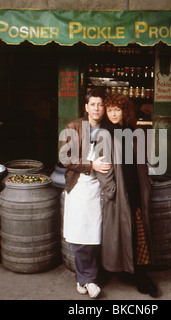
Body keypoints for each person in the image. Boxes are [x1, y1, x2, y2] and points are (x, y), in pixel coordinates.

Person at [59, 87, 115, 299]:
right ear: (86, 107)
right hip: (80, 185)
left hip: (101, 188)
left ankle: (84, 278)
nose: (96, 108)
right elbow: (65, 158)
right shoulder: (74, 126)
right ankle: (88, 279)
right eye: (93, 104)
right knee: (81, 235)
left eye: (100, 104)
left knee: (96, 234)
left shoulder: (109, 128)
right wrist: (91, 165)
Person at [101, 93, 158, 297]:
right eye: (110, 110)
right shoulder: (104, 133)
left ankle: (142, 275)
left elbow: (143, 162)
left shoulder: (135, 131)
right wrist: (111, 190)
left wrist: (147, 184)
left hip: (137, 188)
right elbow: (103, 168)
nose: (113, 113)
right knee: (121, 233)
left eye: (117, 109)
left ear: (125, 111)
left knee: (139, 232)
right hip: (119, 190)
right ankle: (126, 272)